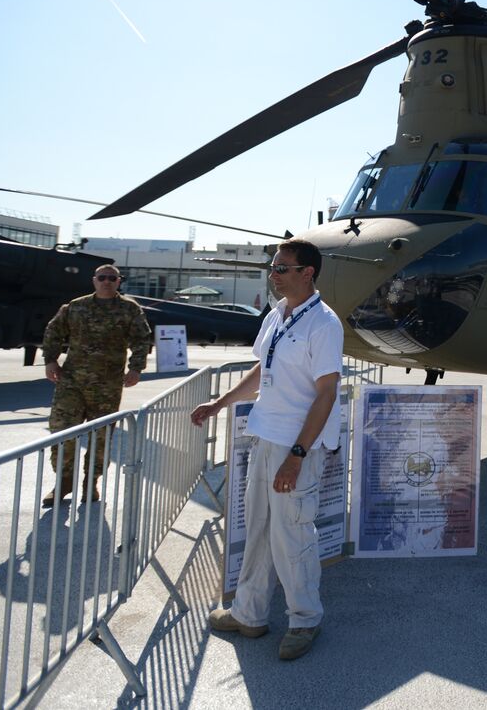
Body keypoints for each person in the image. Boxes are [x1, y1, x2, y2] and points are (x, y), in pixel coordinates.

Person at [192, 239, 344, 662]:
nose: (273, 274)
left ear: (307, 273)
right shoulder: (277, 315)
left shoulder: (324, 325)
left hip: (297, 447)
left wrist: (297, 456)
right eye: (274, 267)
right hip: (267, 437)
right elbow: (263, 369)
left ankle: (305, 619)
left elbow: (326, 394)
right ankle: (249, 614)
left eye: (281, 268)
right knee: (257, 529)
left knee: (292, 535)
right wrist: (220, 402)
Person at [41, 264, 151, 507]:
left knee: (100, 436)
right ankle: (63, 483)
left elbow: (142, 339)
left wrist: (135, 368)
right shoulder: (76, 307)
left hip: (107, 385)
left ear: (119, 281)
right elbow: (53, 332)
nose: (107, 282)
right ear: (94, 280)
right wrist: (50, 361)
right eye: (102, 277)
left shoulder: (129, 309)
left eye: (112, 278)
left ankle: (91, 483)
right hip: (71, 383)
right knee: (62, 431)